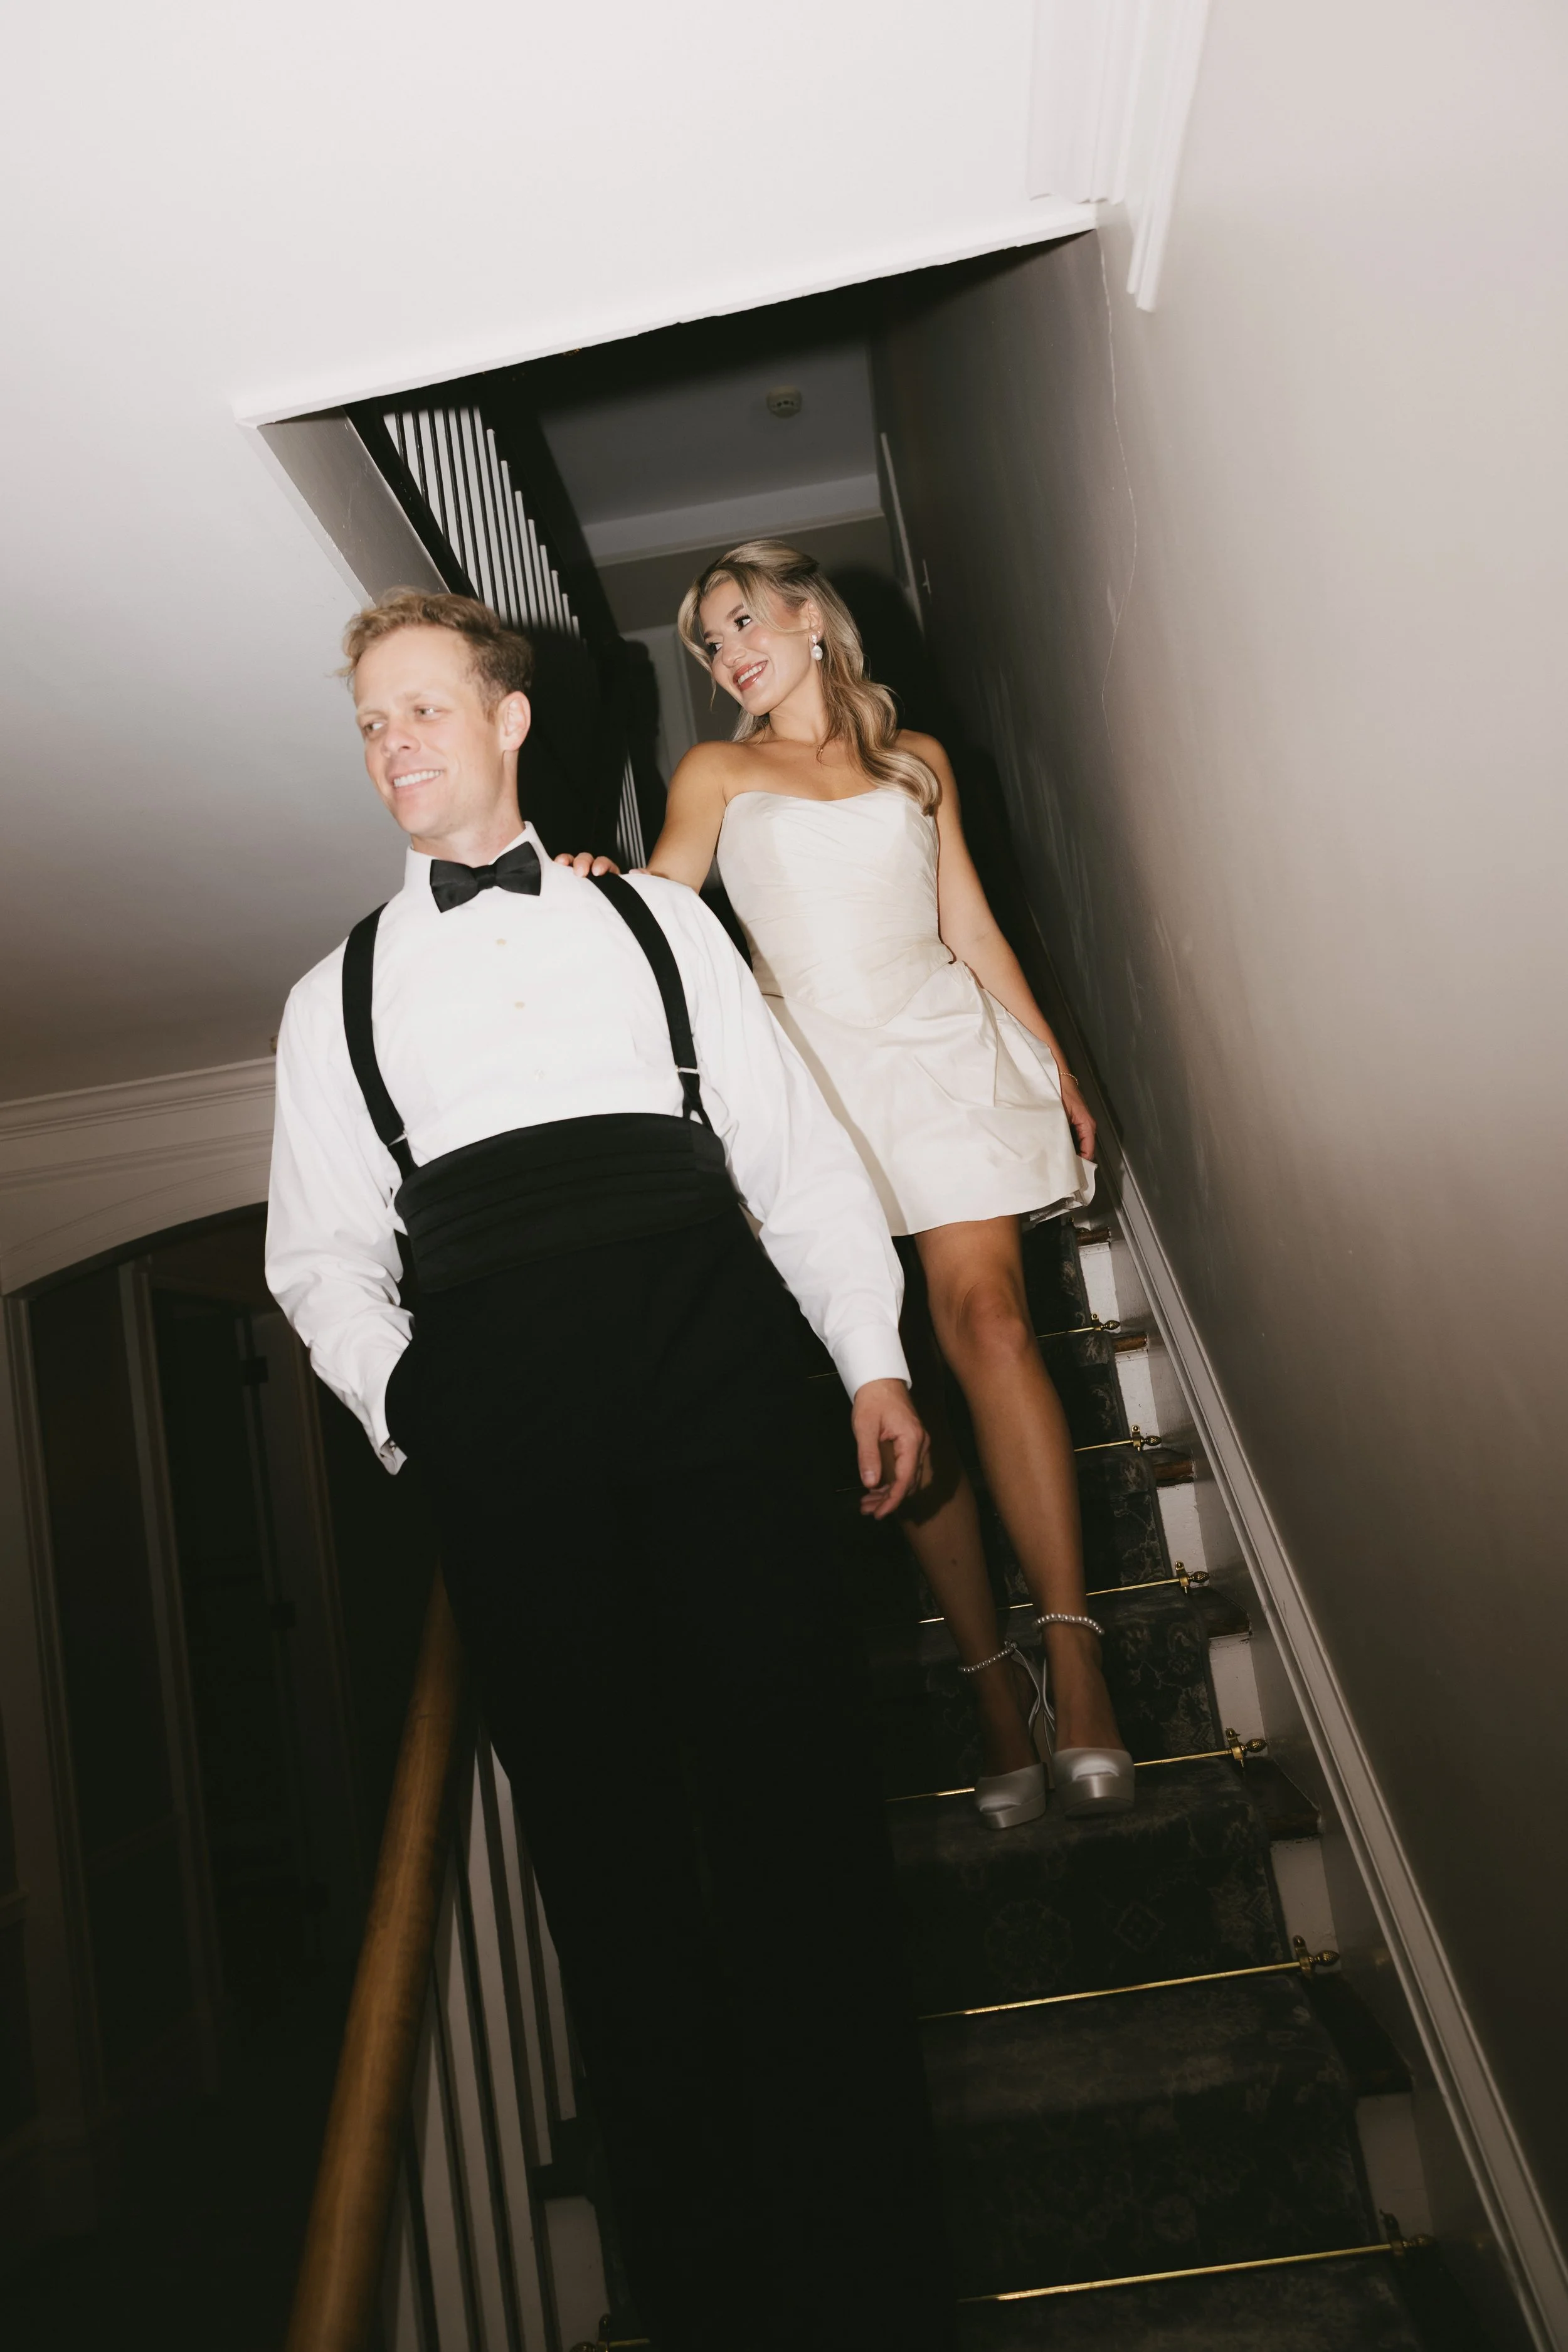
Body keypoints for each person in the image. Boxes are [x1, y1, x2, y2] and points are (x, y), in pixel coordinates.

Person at [265, 590, 955, 2352]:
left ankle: (878, 2282)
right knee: (608, 1864)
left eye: (423, 706)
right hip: (503, 1409)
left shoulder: (651, 916)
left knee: (798, 1814)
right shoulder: (327, 994)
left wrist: (868, 1351)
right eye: (370, 723)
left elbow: (788, 1154)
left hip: (713, 1361)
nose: (394, 743)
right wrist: (418, 1399)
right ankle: (714, 2298)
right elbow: (321, 1256)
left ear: (506, 720)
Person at [562, 541, 1133, 1830]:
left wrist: (1050, 1061)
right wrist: (601, 892)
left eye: (742, 617)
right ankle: (992, 1687)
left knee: (988, 1322)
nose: (727, 651)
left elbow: (969, 926)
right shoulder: (715, 771)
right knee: (899, 1384)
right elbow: (664, 908)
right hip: (808, 1085)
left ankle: (1077, 1660)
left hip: (939, 1055)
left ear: (812, 617)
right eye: (707, 641)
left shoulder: (914, 762)